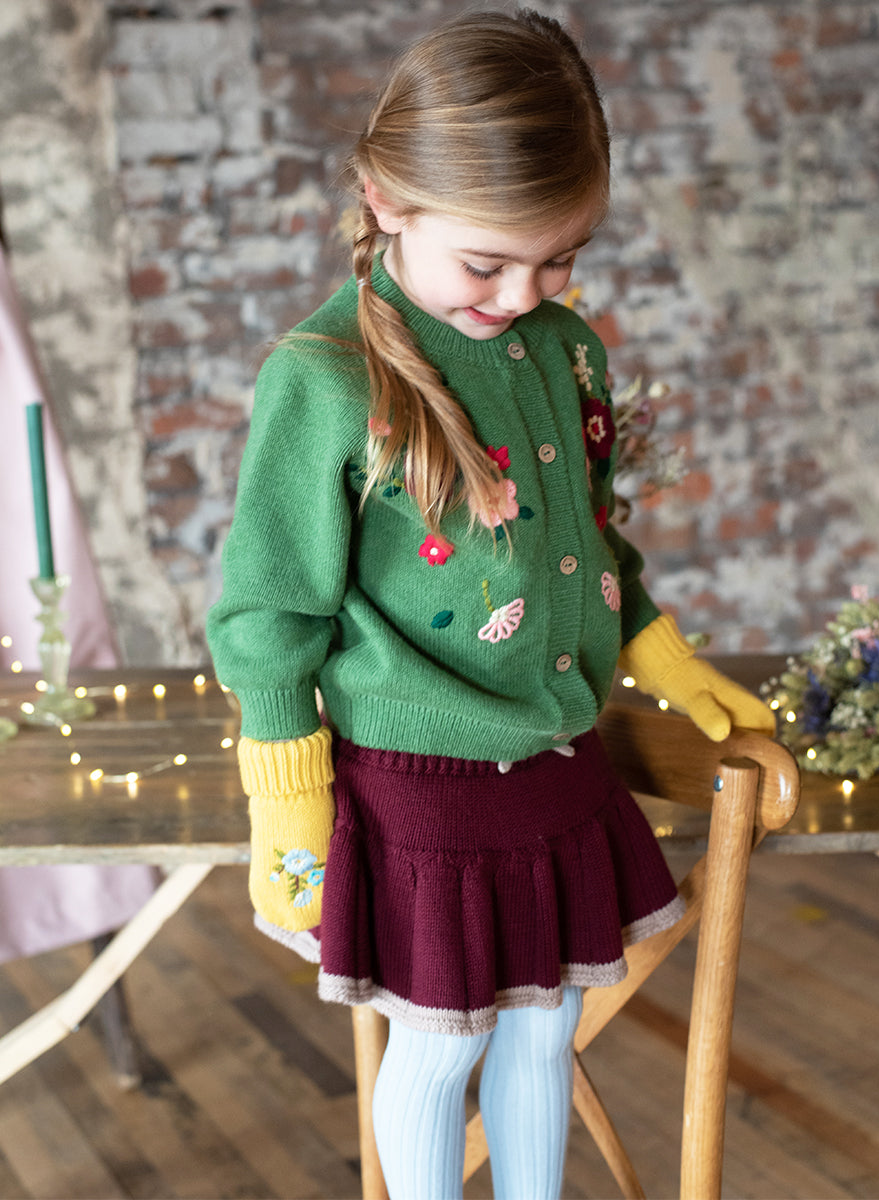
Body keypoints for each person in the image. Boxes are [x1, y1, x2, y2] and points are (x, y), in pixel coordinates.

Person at [206, 10, 774, 1198]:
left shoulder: (567, 354)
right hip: (423, 787)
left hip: (559, 766)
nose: (524, 294)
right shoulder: (325, 380)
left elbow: (589, 542)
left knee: (546, 1031)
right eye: (487, 264)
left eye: (560, 258)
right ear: (386, 201)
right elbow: (269, 612)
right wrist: (287, 795)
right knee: (441, 1046)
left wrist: (663, 655)